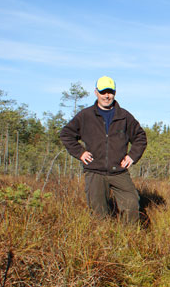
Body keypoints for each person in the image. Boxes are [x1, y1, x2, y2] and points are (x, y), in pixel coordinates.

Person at [60, 76, 147, 223]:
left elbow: (140, 137)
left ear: (114, 93)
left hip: (119, 171)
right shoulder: (85, 116)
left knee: (131, 205)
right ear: (96, 93)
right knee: (99, 214)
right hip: (95, 171)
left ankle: (130, 240)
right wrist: (80, 153)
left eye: (110, 92)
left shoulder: (124, 116)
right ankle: (104, 241)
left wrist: (132, 156)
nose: (107, 96)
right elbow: (66, 134)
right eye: (103, 92)